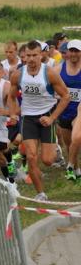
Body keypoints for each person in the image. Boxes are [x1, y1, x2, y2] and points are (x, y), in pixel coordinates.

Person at [7, 40, 70, 201]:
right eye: (28, 55)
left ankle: (52, 145)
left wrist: (52, 118)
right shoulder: (18, 74)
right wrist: (14, 114)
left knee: (48, 160)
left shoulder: (49, 73)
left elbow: (66, 96)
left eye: (35, 55)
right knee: (31, 155)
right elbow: (11, 97)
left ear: (41, 55)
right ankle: (41, 193)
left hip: (46, 116)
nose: (32, 59)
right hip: (28, 118)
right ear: (24, 57)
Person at [55, 39, 81, 180]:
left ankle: (70, 165)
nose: (73, 54)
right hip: (64, 111)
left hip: (79, 110)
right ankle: (76, 169)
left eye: (76, 51)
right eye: (71, 50)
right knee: (69, 143)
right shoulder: (59, 69)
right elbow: (49, 85)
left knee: (76, 138)